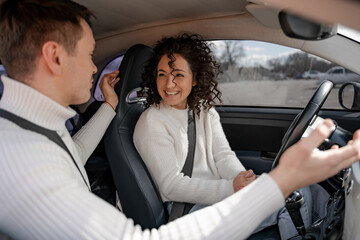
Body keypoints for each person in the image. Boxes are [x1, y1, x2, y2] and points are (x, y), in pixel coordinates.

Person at [0, 1, 359, 240]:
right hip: (181, 212)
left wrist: (110, 106)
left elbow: (71, 153)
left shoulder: (38, 129)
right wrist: (280, 180)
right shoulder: (20, 158)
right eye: (90, 54)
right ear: (55, 57)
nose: (96, 67)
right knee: (293, 199)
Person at [133, 33, 329, 239]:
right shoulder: (153, 121)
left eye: (178, 75)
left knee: (302, 184)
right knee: (291, 196)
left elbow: (222, 155)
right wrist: (230, 188)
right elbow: (171, 186)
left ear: (196, 79)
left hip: (215, 197)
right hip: (186, 212)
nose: (169, 84)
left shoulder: (203, 110)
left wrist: (241, 180)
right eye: (162, 74)